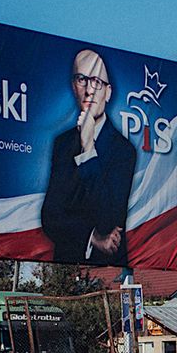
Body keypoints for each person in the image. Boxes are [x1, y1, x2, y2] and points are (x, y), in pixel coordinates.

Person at [41, 48, 138, 266]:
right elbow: (50, 216)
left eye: (97, 81)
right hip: (64, 269)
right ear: (73, 86)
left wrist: (88, 151)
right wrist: (93, 237)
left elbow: (108, 217)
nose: (89, 90)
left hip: (108, 267)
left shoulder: (123, 150)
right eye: (82, 79)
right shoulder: (62, 144)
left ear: (108, 92)